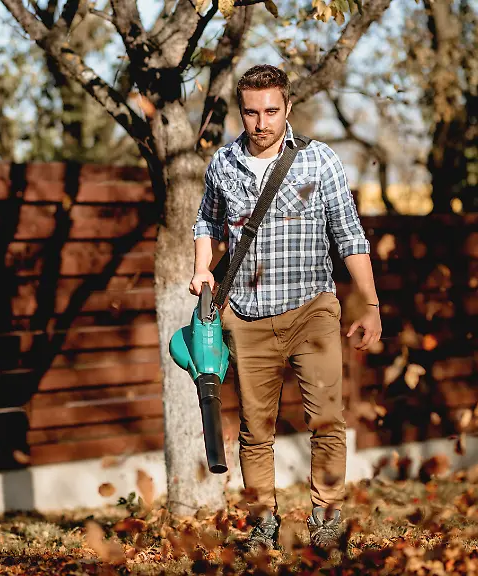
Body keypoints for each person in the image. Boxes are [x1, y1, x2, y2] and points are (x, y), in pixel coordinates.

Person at [189, 64, 382, 551]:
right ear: (241, 111)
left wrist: (370, 304)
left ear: (288, 107)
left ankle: (327, 518)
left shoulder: (319, 161)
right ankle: (262, 523)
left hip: (311, 310)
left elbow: (349, 235)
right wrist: (202, 268)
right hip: (246, 317)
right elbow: (207, 222)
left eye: (271, 111)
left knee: (327, 420)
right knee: (255, 431)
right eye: (251, 112)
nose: (261, 123)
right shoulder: (223, 163)